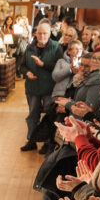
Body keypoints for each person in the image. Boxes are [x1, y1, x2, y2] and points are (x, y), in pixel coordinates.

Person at [21, 21, 63, 151]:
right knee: (33, 114)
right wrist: (27, 72)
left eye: (45, 33)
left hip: (50, 88)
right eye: (39, 33)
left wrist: (43, 64)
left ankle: (47, 142)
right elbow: (21, 66)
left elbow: (59, 66)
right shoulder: (29, 47)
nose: (42, 36)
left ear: (50, 34)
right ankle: (31, 141)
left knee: (48, 115)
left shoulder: (57, 47)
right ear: (35, 34)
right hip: (32, 88)